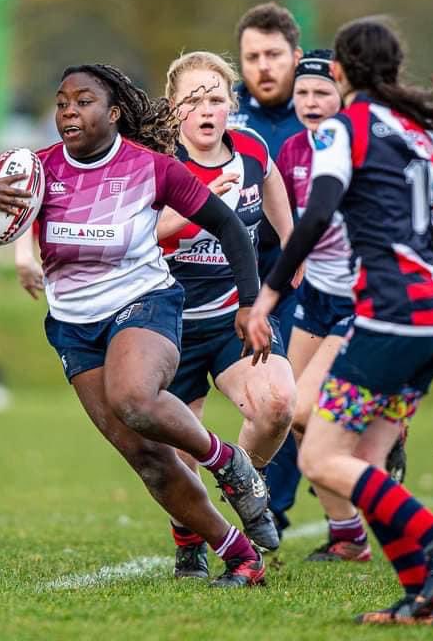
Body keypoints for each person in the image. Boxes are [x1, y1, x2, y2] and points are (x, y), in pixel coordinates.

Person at [0, 63, 277, 587]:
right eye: (61, 103)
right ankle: (240, 556)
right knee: (146, 458)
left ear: (114, 112)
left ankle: (227, 461)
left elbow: (229, 226)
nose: (69, 112)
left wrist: (249, 301)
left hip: (144, 303)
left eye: (82, 102)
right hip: (74, 326)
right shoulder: (36, 171)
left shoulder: (150, 166)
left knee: (134, 398)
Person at [247, 17, 433, 625]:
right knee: (368, 465)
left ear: (344, 73)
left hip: (390, 318)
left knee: (321, 458)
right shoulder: (420, 133)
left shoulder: (341, 131)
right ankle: (422, 598)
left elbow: (317, 214)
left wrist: (269, 296)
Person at [157, 51, 296, 577]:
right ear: (174, 110)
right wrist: (198, 206)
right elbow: (139, 237)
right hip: (165, 325)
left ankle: (245, 480)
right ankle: (188, 538)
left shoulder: (253, 149)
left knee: (278, 404)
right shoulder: (158, 162)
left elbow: (273, 181)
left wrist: (288, 238)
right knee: (180, 457)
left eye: (216, 98)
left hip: (232, 316)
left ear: (231, 106)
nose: (206, 110)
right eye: (193, 100)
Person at [274, 49, 378, 563]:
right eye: (302, 94)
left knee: (306, 409)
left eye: (322, 93)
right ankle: (347, 534)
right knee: (292, 416)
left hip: (360, 300)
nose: (311, 102)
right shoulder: (291, 150)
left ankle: (377, 434)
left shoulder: (361, 146)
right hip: (315, 296)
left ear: (343, 96)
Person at [228, 2, 307, 535]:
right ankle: (262, 504)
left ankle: (277, 506)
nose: (263, 66)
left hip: (305, 277)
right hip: (238, 279)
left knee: (296, 396)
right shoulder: (226, 118)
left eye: (273, 55)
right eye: (252, 56)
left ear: (296, 57)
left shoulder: (320, 114)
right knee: (265, 394)